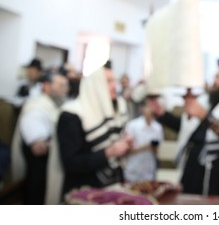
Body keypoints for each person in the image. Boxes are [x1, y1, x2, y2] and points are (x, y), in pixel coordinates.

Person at [150, 63, 219, 200]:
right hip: (194, 172)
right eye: (215, 76)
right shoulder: (212, 101)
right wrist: (162, 114)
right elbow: (190, 131)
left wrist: (202, 114)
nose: (215, 81)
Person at [55, 63, 133, 201]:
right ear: (95, 86)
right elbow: (71, 163)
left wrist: (125, 146)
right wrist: (109, 152)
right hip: (83, 192)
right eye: (108, 82)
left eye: (114, 80)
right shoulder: (72, 115)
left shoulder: (113, 112)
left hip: (111, 188)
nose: (115, 86)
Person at [11, 71, 69, 204]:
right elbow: (38, 148)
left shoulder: (53, 105)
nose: (65, 89)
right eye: (61, 85)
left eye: (66, 85)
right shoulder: (35, 109)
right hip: (38, 178)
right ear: (46, 86)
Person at [123, 97, 164, 183]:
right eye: (148, 106)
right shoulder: (132, 125)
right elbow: (127, 150)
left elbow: (157, 151)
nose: (151, 109)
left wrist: (153, 148)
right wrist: (146, 146)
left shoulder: (158, 128)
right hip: (133, 171)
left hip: (149, 172)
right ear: (142, 108)